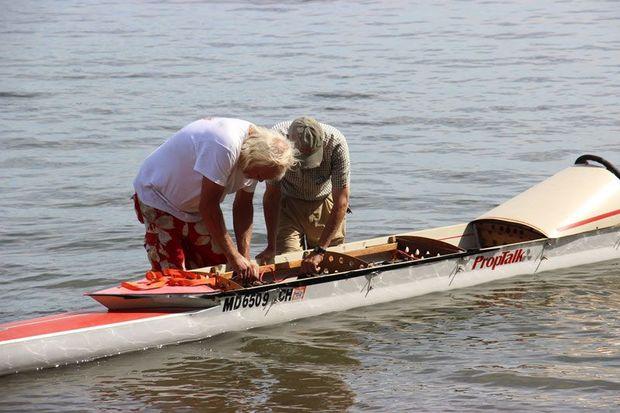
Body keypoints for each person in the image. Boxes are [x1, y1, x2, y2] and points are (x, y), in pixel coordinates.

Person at [133, 117, 297, 277]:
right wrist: (234, 256)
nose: (259, 180)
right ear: (255, 157)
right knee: (174, 275)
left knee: (218, 268)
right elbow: (209, 206)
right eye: (260, 175)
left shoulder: (257, 157)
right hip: (158, 197)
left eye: (262, 179)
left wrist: (243, 256)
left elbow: (243, 207)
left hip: (195, 208)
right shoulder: (224, 146)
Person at [257, 117, 350, 273]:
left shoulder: (336, 143)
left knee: (328, 264)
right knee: (287, 263)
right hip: (288, 205)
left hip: (324, 203)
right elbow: (272, 195)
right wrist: (270, 245)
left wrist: (320, 250)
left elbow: (341, 201)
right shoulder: (275, 140)